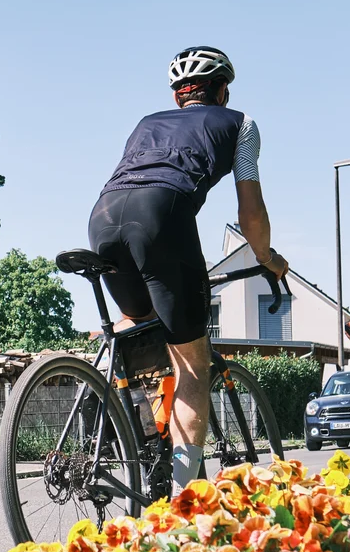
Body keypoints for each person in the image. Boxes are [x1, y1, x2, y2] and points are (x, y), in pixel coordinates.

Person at [88, 46, 290, 492]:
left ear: (178, 96)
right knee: (193, 367)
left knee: (137, 320)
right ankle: (184, 500)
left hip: (102, 217)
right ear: (222, 91)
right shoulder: (241, 123)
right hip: (161, 215)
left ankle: (114, 405)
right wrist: (266, 257)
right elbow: (251, 213)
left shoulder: (145, 123)